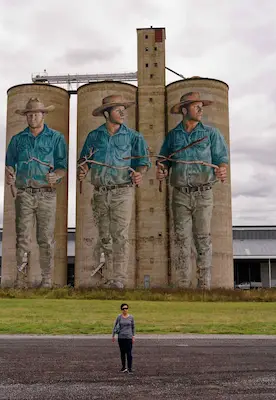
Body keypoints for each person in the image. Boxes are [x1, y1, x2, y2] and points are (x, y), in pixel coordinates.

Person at [156, 92, 229, 290]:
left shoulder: (211, 134)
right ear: (184, 110)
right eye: (196, 106)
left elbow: (221, 158)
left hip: (203, 193)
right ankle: (183, 285)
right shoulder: (173, 136)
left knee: (203, 238)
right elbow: (163, 159)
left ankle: (204, 285)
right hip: (179, 193)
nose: (200, 109)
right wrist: (162, 169)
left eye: (201, 106)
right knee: (181, 239)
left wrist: (222, 168)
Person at [78, 94, 151, 289]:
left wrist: (139, 173)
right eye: (118, 109)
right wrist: (83, 170)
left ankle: (118, 279)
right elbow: (84, 161)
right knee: (104, 236)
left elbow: (143, 162)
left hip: (122, 191)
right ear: (106, 113)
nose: (122, 112)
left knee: (119, 235)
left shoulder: (134, 137)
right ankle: (108, 278)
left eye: (123, 109)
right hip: (100, 192)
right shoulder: (94, 137)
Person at [5, 97, 68, 288]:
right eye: (29, 114)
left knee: (45, 238)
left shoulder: (56, 138)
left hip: (46, 194)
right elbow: (9, 164)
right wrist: (10, 175)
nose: (32, 117)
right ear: (26, 116)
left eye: (36, 114)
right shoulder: (17, 140)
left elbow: (62, 166)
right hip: (24, 193)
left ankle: (47, 279)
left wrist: (56, 176)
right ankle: (21, 279)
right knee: (22, 237)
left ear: (43, 115)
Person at [112, 303, 135, 373]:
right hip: (121, 337)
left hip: (128, 337)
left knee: (129, 353)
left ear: (128, 309)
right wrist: (113, 335)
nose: (125, 310)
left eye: (126, 308)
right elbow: (115, 326)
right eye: (123, 308)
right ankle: (123, 367)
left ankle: (130, 368)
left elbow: (133, 327)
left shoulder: (131, 317)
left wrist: (133, 336)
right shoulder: (119, 317)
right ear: (121, 309)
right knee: (122, 353)